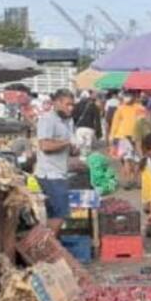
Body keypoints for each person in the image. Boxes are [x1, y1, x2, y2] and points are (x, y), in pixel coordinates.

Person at [35, 88, 76, 234]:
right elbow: (45, 146)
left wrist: (73, 147)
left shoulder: (67, 121)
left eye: (72, 105)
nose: (70, 108)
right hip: (50, 175)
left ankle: (50, 246)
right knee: (59, 215)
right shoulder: (47, 120)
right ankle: (49, 246)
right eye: (67, 104)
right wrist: (67, 142)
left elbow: (68, 146)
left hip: (60, 172)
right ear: (56, 103)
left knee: (56, 214)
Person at [108, 93, 146, 188]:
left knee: (128, 160)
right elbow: (143, 123)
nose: (126, 98)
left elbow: (115, 124)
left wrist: (112, 137)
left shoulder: (121, 108)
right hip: (132, 137)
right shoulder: (140, 108)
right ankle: (135, 180)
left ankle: (130, 181)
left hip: (125, 137)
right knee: (136, 160)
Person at [73, 90, 104, 155]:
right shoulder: (94, 106)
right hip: (90, 128)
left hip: (79, 128)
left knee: (81, 146)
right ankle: (87, 160)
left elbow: (73, 117)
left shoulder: (76, 105)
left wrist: (73, 128)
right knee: (88, 147)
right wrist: (99, 133)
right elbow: (97, 120)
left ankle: (82, 158)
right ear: (88, 98)